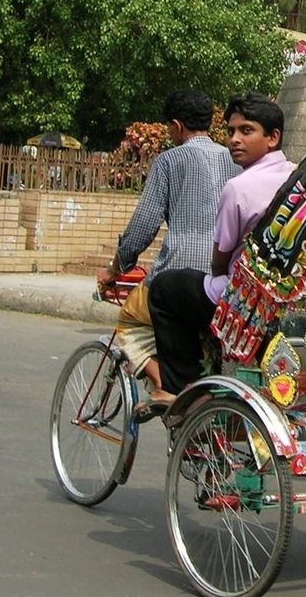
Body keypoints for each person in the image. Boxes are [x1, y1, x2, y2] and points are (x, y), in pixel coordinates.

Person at [147, 94, 293, 399]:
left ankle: (179, 390)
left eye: (246, 131)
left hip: (244, 298)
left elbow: (220, 259)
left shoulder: (239, 187)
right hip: (289, 294)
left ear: (273, 137)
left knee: (164, 289)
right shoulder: (298, 176)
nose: (234, 140)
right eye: (230, 132)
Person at [97, 89, 238, 395]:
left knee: (130, 322)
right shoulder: (236, 159)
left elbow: (143, 227)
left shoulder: (169, 160)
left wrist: (117, 267)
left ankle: (162, 382)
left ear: (176, 126)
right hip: (224, 277)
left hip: (177, 275)